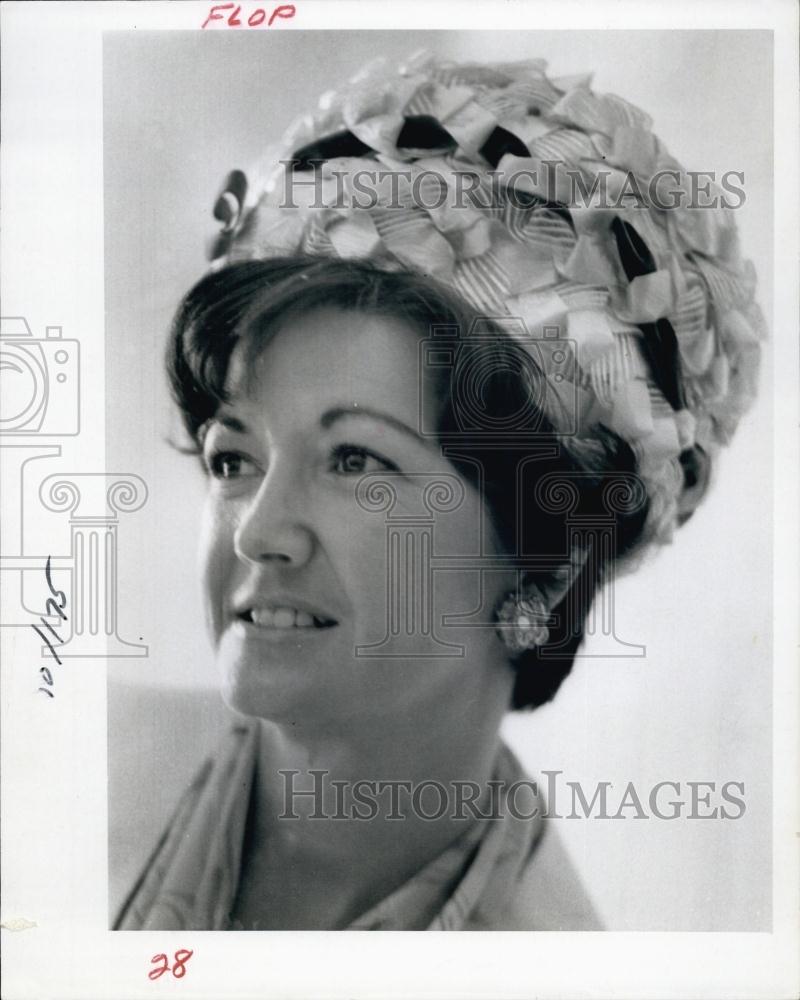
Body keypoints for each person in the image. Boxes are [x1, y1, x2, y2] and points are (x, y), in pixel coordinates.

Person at [113, 53, 764, 931]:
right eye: (234, 459)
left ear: (552, 554)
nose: (258, 533)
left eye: (356, 461)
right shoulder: (68, 784)